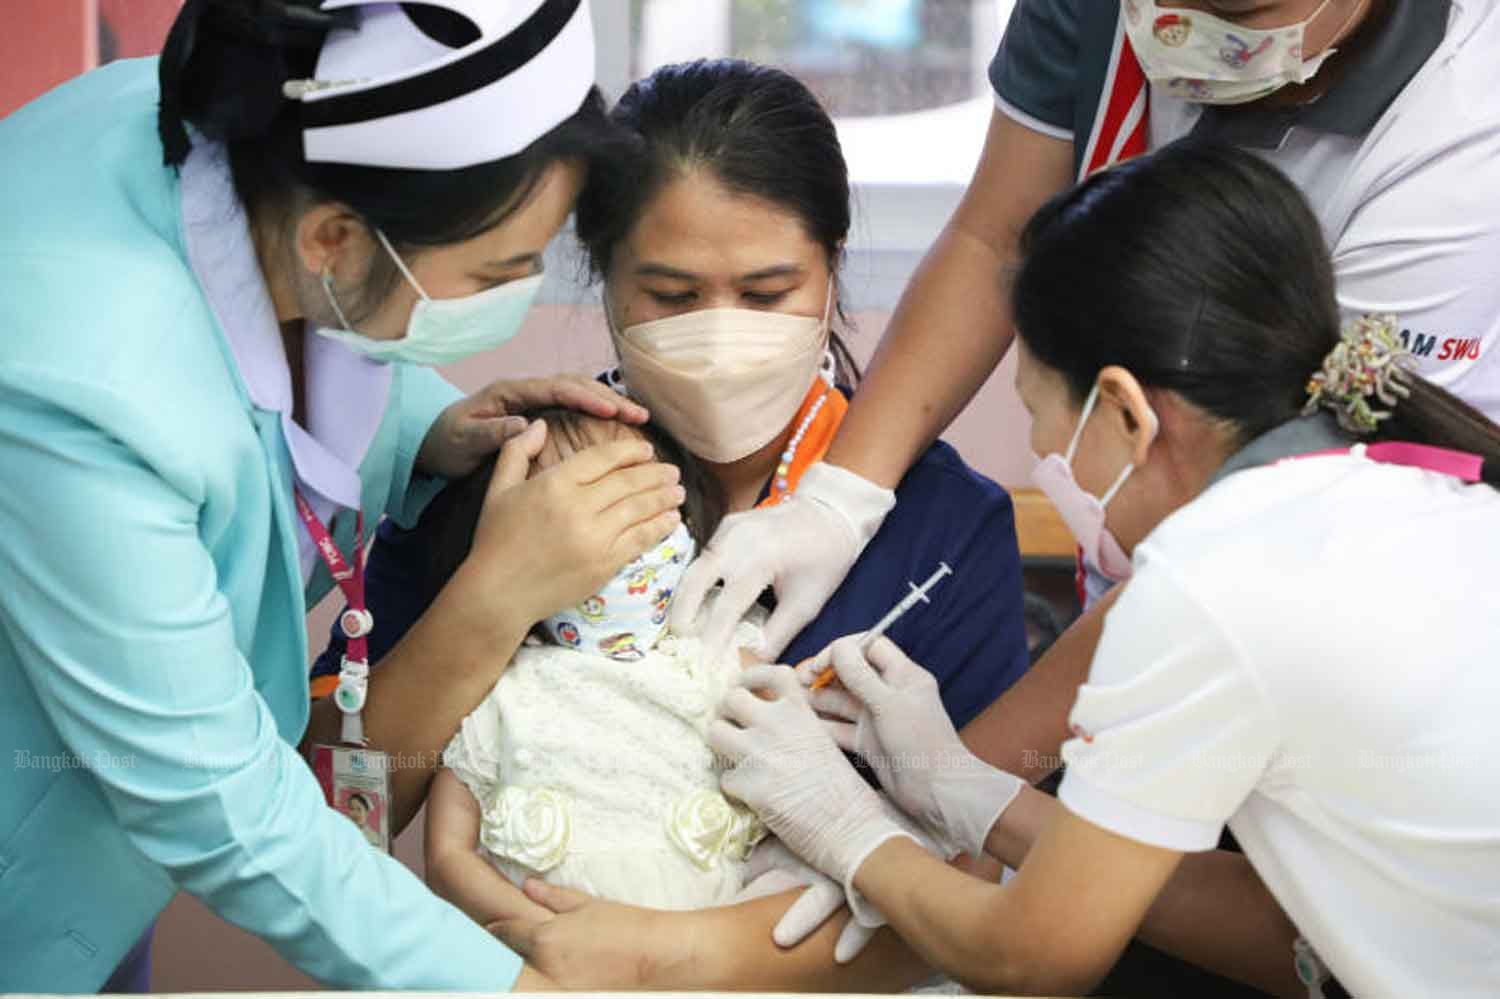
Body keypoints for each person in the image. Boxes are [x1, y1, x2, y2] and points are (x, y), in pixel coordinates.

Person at [0, 0, 686, 990]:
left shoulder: (250, 151)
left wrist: (429, 432)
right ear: (336, 236)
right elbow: (220, 803)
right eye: (499, 271)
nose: (523, 293)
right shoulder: (78, 382)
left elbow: (304, 321)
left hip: (101, 884)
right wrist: (513, 988)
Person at [708, 142, 1500, 997]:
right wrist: (958, 788)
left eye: (1039, 417)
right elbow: (1292, 931)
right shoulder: (1409, 487)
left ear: (1123, 408)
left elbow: (1033, 954)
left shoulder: (1211, 581)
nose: (1045, 454)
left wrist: (848, 826)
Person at [679, 0, 1500, 783]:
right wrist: (837, 498)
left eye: (1240, 16)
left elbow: (1067, 923)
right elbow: (992, 235)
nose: (1179, 26)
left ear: (1127, 410)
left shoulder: (1457, 130)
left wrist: (933, 801)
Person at [318, 57, 1030, 755]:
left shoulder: (947, 526)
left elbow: (977, 839)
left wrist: (841, 854)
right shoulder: (510, 479)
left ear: (832, 267)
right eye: (672, 296)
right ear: (602, 273)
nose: (720, 335)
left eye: (766, 293)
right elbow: (330, 798)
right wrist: (491, 600)